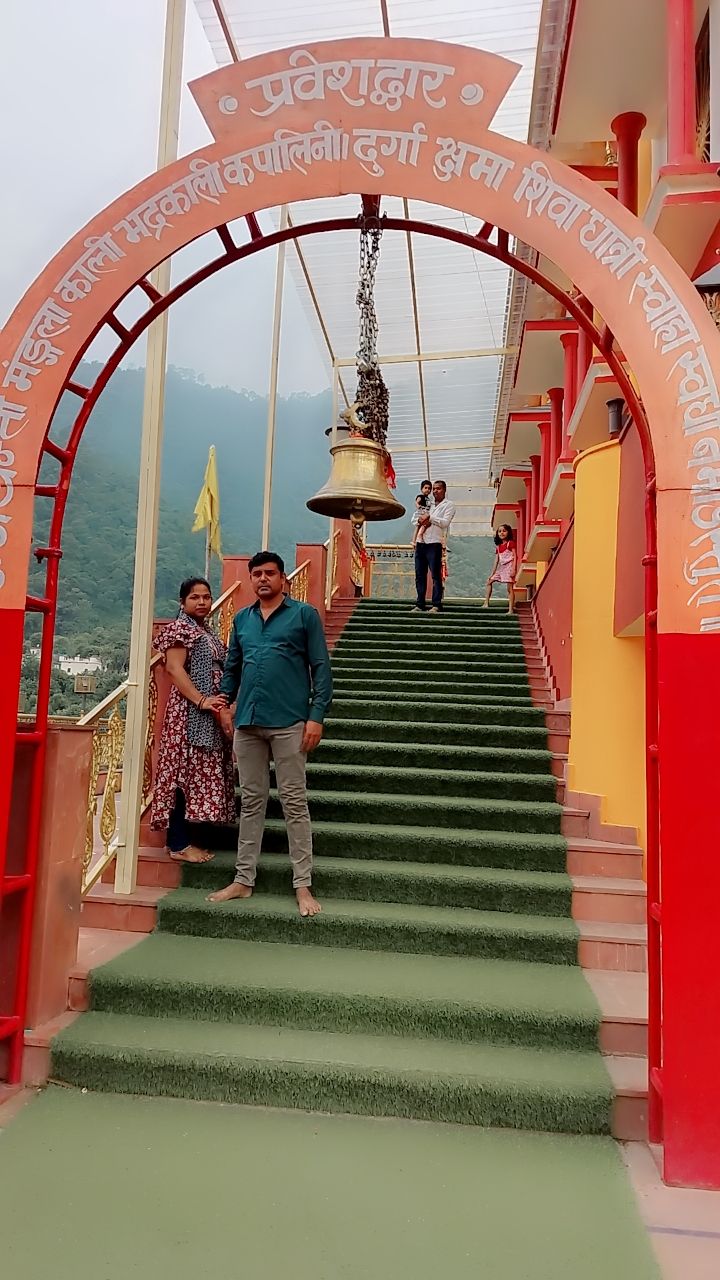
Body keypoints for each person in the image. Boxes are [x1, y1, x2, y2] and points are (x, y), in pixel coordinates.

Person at [208, 550, 333, 917]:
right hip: (248, 722)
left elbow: (321, 668)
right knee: (251, 802)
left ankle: (303, 885)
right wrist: (224, 703)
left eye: (270, 573)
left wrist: (316, 716)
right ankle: (243, 880)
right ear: (251, 579)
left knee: (294, 802)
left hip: (290, 721)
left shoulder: (304, 615)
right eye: (257, 574)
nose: (263, 579)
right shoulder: (242, 620)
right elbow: (233, 668)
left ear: (283, 579)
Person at [150, 577, 235, 863]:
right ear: (182, 602)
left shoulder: (206, 632)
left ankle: (183, 839)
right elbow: (174, 669)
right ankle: (178, 843)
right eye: (194, 597)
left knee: (196, 773)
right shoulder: (181, 630)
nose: (202, 602)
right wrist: (201, 700)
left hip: (207, 714)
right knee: (181, 774)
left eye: (206, 597)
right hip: (187, 714)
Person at [410, 479, 456, 613]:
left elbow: (445, 522)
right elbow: (415, 518)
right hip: (421, 542)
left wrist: (430, 518)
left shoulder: (449, 505)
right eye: (434, 489)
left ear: (444, 490)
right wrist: (421, 520)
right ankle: (420, 603)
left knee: (436, 575)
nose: (435, 491)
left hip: (434, 543)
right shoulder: (428, 503)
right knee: (420, 574)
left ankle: (436, 604)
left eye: (438, 488)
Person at [483, 524, 517, 614]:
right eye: (500, 531)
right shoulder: (498, 547)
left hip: (509, 566)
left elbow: (515, 556)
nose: (502, 533)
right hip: (501, 568)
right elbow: (496, 561)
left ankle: (510, 609)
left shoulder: (510, 543)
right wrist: (492, 573)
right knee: (489, 582)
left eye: (504, 531)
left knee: (509, 588)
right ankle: (486, 602)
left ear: (508, 532)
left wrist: (513, 569)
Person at [411, 480, 433, 548]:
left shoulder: (428, 499)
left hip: (426, 514)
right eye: (425, 488)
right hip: (420, 513)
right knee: (418, 526)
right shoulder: (420, 496)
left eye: (429, 488)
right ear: (421, 489)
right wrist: (418, 506)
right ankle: (414, 541)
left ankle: (421, 539)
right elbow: (417, 502)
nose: (427, 490)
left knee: (425, 527)